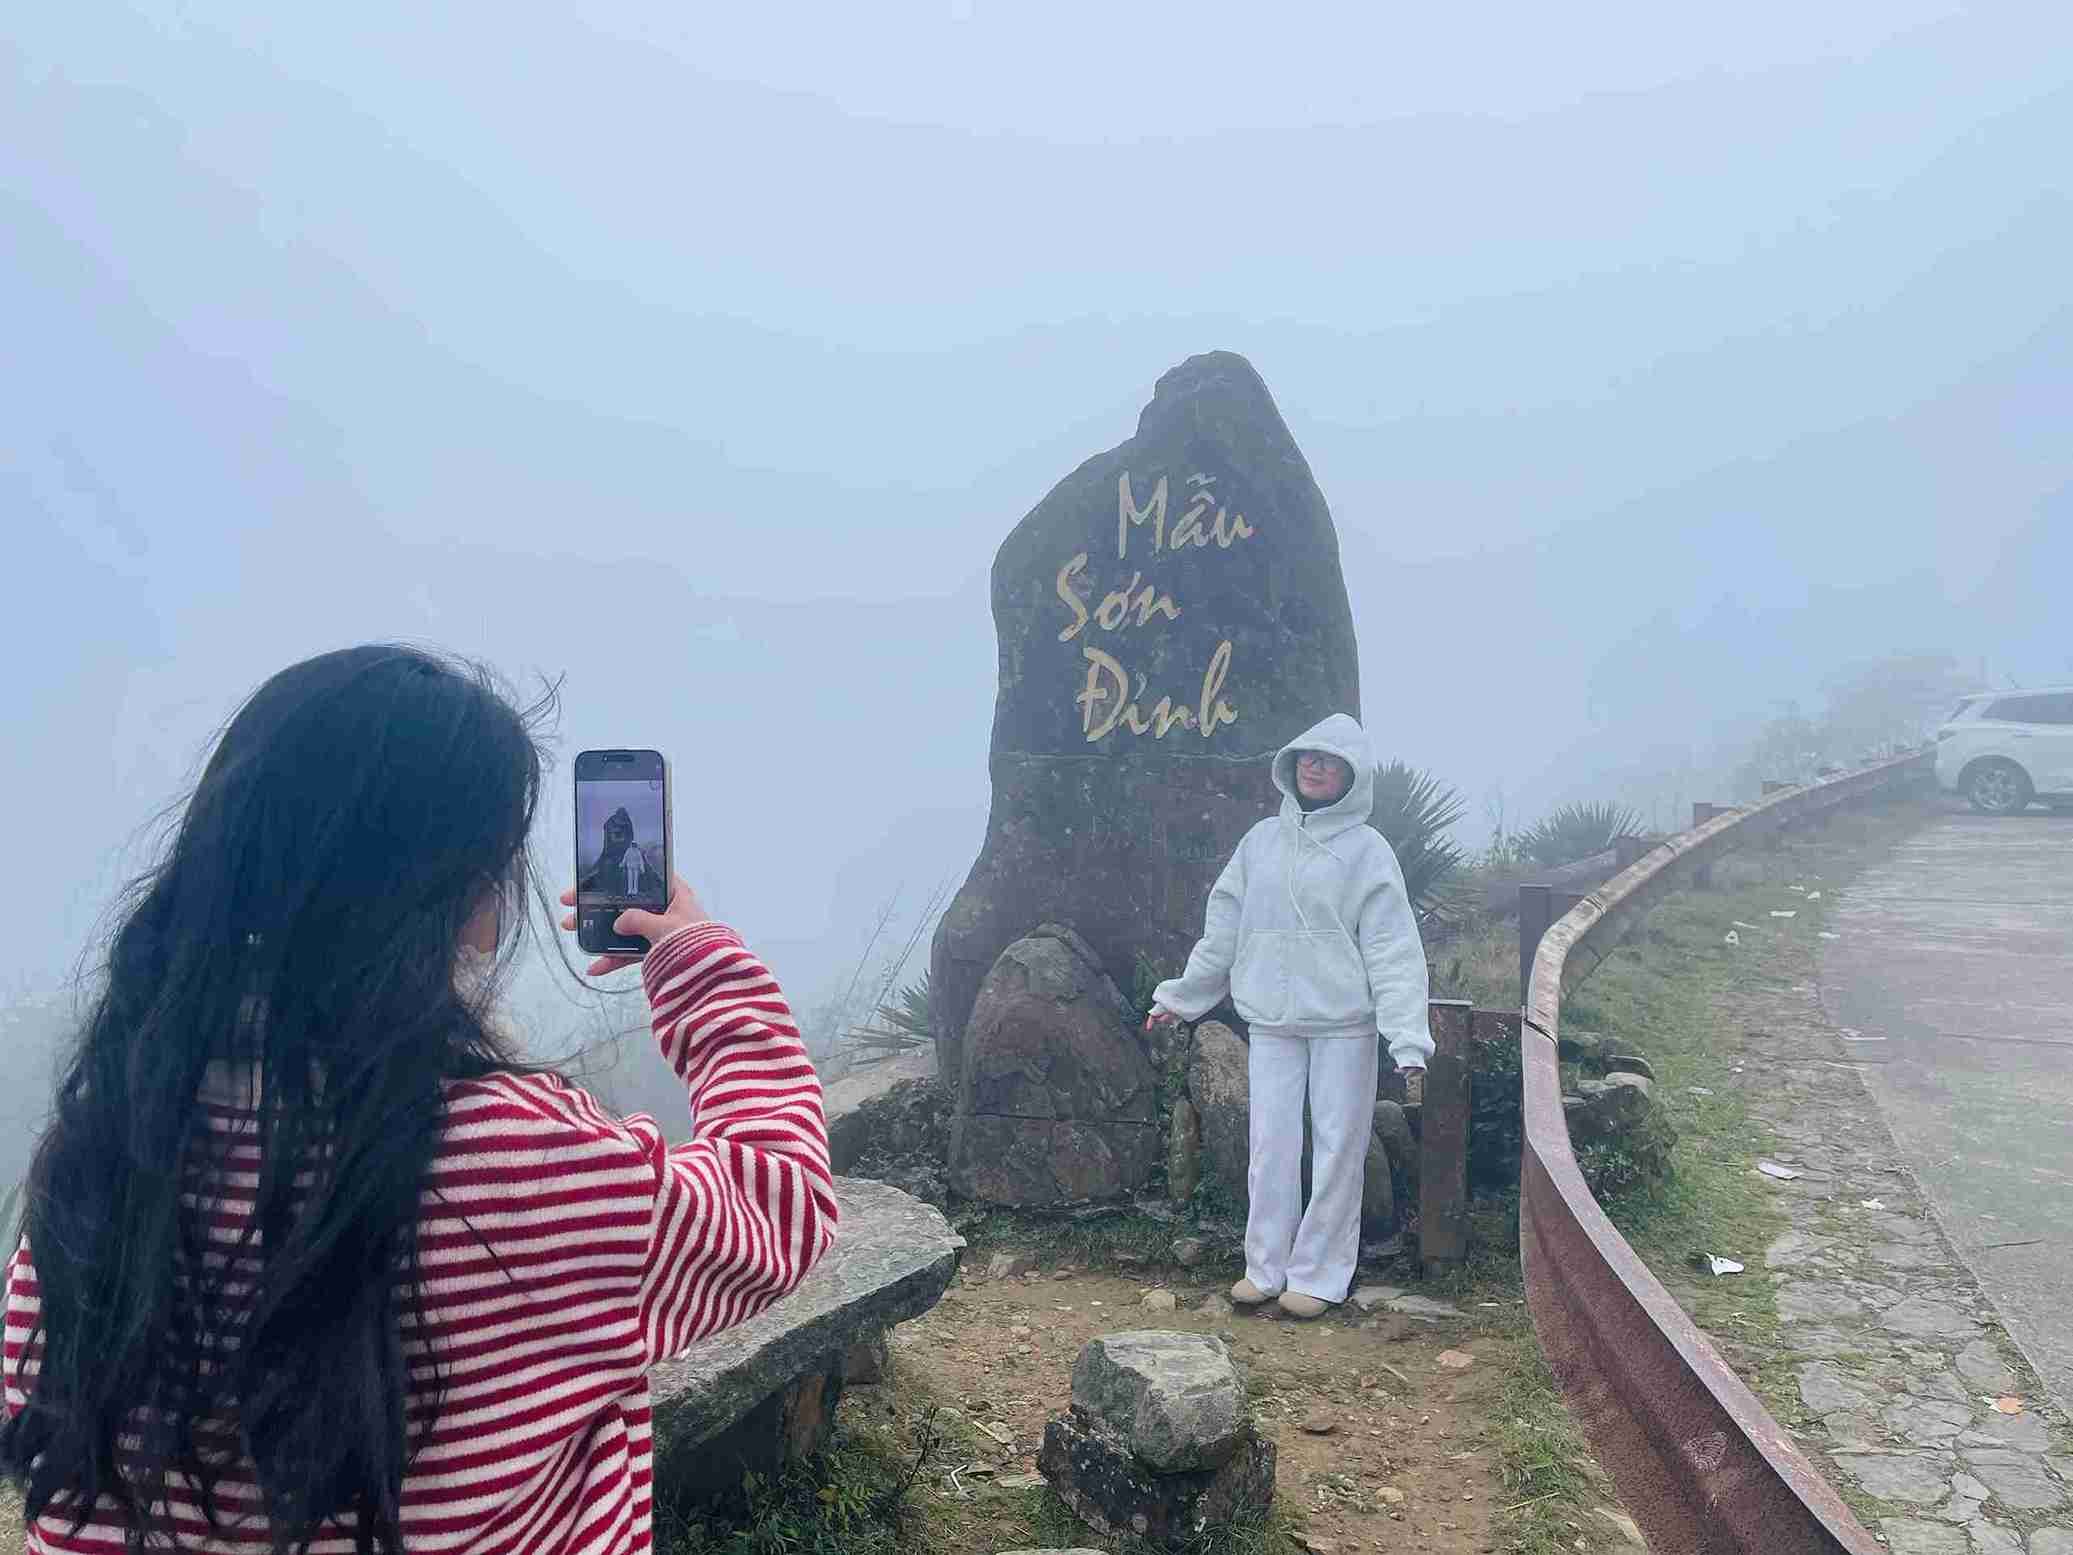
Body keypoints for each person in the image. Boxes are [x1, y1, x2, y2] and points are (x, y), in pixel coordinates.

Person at [1, 645, 837, 1554]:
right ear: (472, 897)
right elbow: (780, 1205)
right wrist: (702, 964)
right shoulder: (517, 1160)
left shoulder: (107, 1149)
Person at [1146, 712, 1431, 1320]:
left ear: (1352, 776)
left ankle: (1320, 1275)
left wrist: (1408, 1038)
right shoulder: (1260, 843)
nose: (1316, 767)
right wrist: (1179, 998)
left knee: (1338, 1149)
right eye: (1307, 757)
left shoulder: (1368, 851)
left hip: (1345, 1024)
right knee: (1270, 1146)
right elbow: (1224, 931)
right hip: (1271, 1020)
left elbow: (1393, 949)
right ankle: (1264, 1267)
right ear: (1290, 766)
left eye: (1330, 761)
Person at [581, 803, 665, 900]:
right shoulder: (610, 824)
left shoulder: (628, 829)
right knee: (608, 868)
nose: (618, 832)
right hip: (612, 856)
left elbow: (628, 841)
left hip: (627, 857)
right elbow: (610, 842)